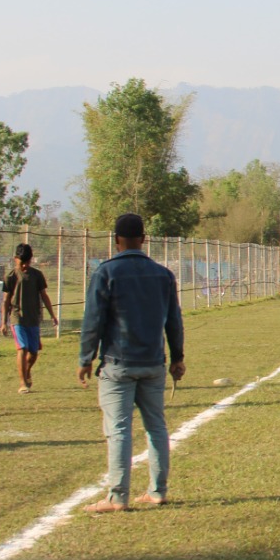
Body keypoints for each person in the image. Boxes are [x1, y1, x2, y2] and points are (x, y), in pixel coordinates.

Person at [79, 214, 185, 514]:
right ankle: (157, 491)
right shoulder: (163, 275)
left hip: (117, 365)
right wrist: (177, 357)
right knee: (156, 427)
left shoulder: (106, 272)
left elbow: (93, 321)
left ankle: (117, 496)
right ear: (144, 238)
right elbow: (174, 321)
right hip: (153, 363)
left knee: (119, 431)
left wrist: (85, 358)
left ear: (116, 240)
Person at [1, 243, 59, 394]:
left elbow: (44, 296)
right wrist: (3, 322)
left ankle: (26, 371)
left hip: (33, 318)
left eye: (28, 262)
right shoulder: (11, 276)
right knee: (22, 348)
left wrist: (52, 315)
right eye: (22, 262)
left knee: (33, 352)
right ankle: (22, 383)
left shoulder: (37, 275)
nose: (25, 265)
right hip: (17, 317)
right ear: (15, 259)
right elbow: (6, 300)